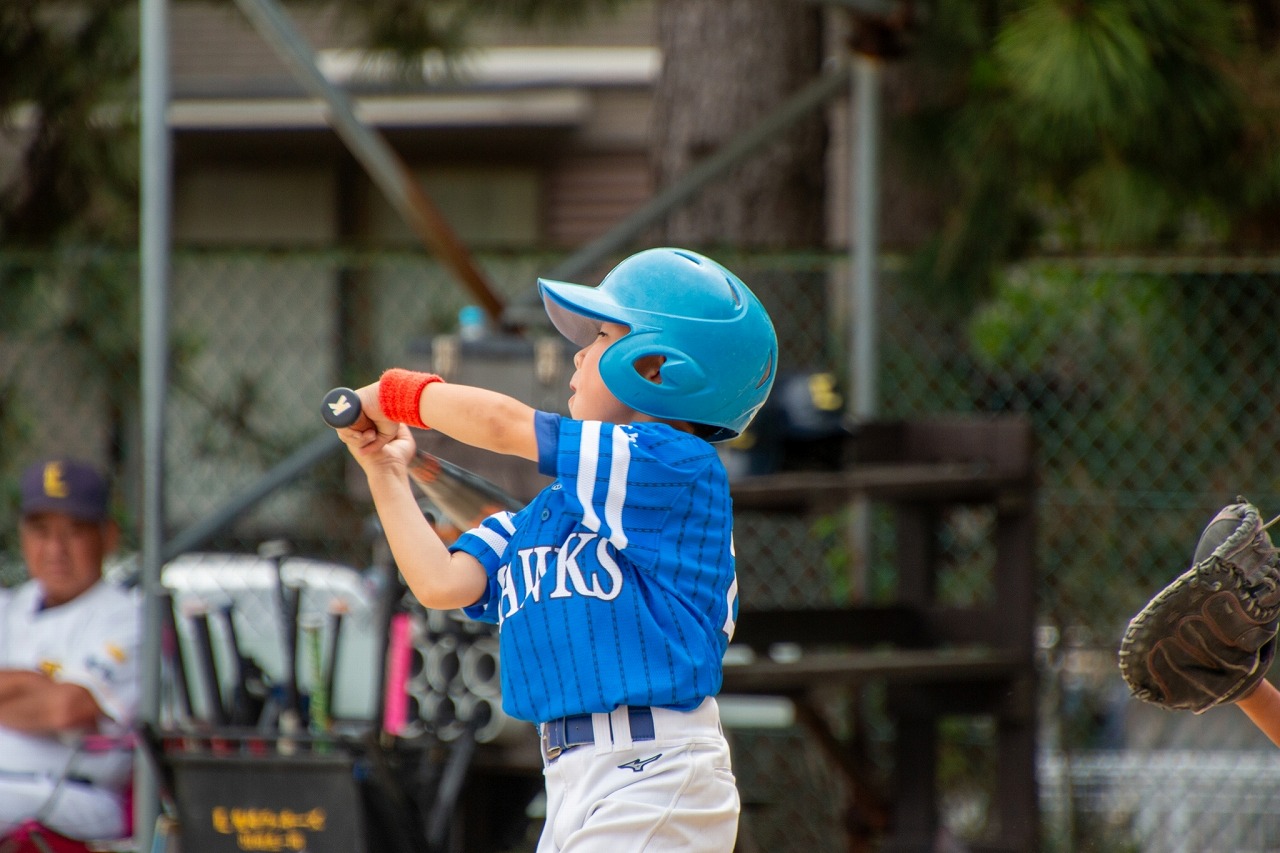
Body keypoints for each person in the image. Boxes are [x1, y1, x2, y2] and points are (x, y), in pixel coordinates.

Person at [335, 247, 777, 851]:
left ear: (655, 367)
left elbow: (505, 427)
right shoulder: (551, 512)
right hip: (574, 779)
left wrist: (393, 396)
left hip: (657, 771)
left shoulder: (675, 467)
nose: (577, 352)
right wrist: (384, 472)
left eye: (599, 336)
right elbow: (441, 582)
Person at [0, 459, 140, 843]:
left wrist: (38, 693)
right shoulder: (9, 606)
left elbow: (67, 709)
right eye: (41, 531)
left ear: (108, 536)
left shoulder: (128, 616)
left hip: (76, 791)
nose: (54, 549)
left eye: (74, 531)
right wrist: (36, 685)